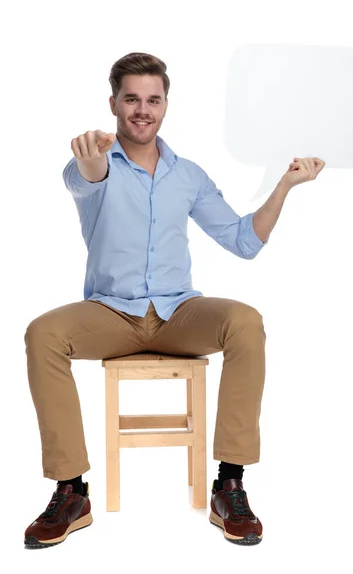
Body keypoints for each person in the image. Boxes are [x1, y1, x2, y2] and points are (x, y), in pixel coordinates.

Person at [24, 52, 325, 549]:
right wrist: (92, 161)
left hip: (177, 313)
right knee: (43, 333)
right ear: (114, 104)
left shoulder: (188, 176)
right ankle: (71, 491)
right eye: (132, 99)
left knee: (245, 321)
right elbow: (87, 177)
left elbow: (243, 242)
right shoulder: (91, 163)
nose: (143, 109)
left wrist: (286, 185)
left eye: (153, 100)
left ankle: (229, 485)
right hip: (110, 313)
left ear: (165, 105)